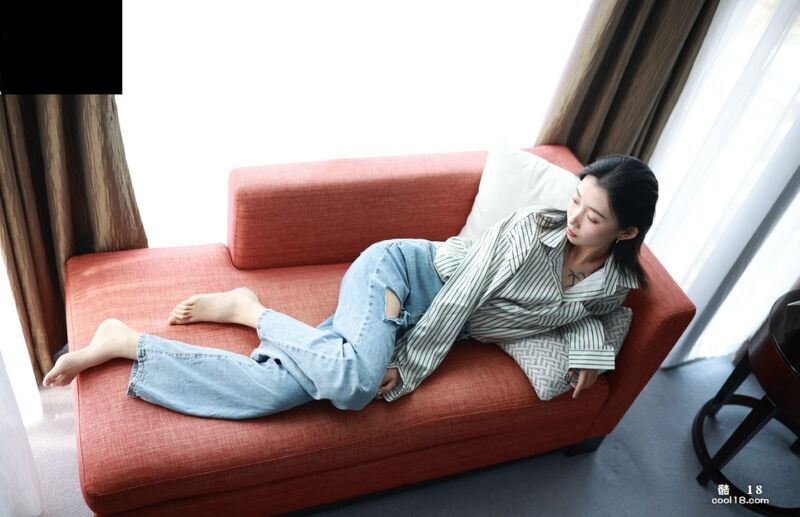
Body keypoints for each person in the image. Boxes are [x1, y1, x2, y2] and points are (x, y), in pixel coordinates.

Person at [42, 153, 658, 419]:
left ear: (626, 232)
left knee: (277, 390)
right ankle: (251, 312)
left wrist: (592, 354)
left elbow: (608, 313)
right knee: (357, 385)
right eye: (575, 200)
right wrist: (407, 369)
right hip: (401, 274)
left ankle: (126, 343)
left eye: (593, 218)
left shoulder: (614, 283)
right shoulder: (531, 230)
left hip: (416, 318)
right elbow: (461, 298)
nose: (574, 220)